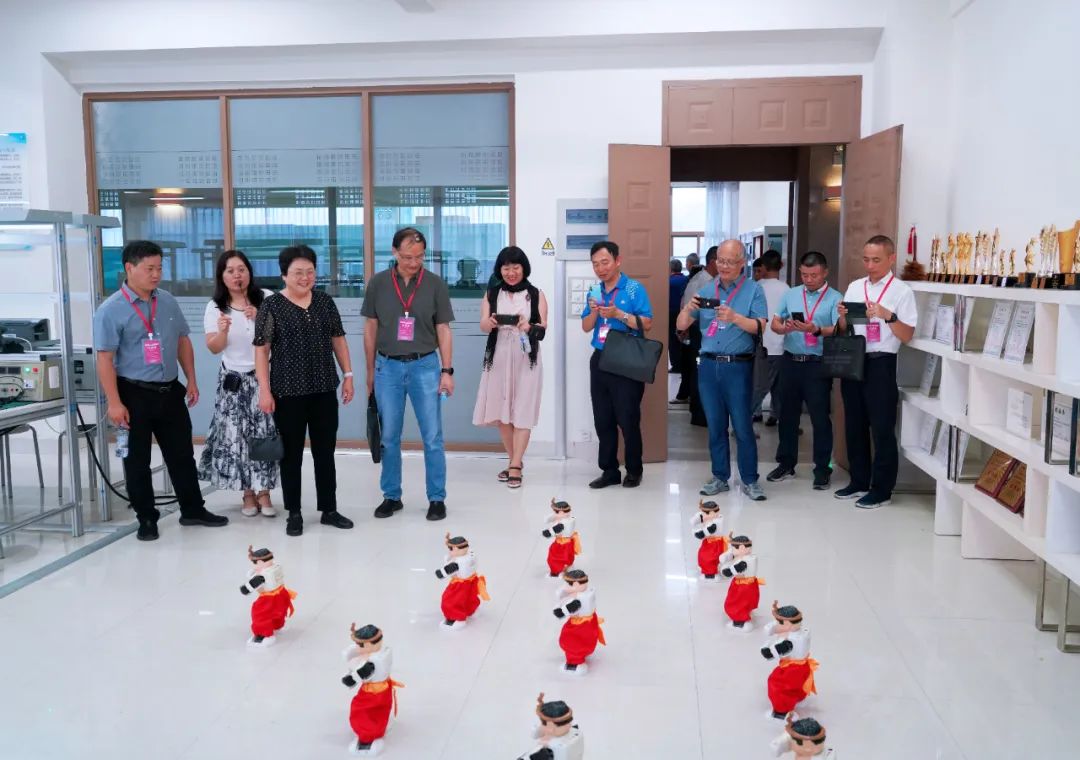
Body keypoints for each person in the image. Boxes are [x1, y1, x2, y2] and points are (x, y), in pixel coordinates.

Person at [93, 240, 228, 541]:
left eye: (159, 268)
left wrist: (191, 379)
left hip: (169, 390)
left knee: (182, 455)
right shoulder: (110, 310)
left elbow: (182, 340)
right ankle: (146, 518)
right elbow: (104, 359)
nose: (156, 274)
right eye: (149, 268)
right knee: (137, 460)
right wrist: (114, 402)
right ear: (129, 268)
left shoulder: (166, 300)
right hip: (133, 394)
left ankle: (193, 509)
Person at [254, 245, 355, 537]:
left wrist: (348, 375)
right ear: (284, 275)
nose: (305, 278)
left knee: (325, 452)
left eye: (310, 271)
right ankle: (294, 512)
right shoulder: (272, 306)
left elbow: (338, 340)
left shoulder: (324, 301)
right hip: (287, 393)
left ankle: (329, 509)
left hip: (324, 389)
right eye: (298, 272)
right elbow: (261, 351)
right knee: (291, 455)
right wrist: (264, 390)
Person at [362, 227, 455, 521]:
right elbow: (370, 328)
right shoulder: (378, 284)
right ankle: (391, 495)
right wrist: (369, 370)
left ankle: (437, 498)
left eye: (419, 257)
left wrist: (447, 370)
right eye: (407, 257)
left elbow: (443, 329)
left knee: (432, 436)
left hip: (425, 365)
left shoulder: (435, 284)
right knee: (389, 436)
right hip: (387, 367)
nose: (414, 263)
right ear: (394, 253)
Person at [676, 239, 767, 501]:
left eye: (730, 262)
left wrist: (735, 318)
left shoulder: (753, 290)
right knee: (715, 425)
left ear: (742, 263)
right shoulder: (706, 289)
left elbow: (760, 326)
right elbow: (681, 325)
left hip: (738, 366)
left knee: (742, 426)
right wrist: (688, 308)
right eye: (721, 261)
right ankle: (720, 476)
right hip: (708, 365)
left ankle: (750, 480)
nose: (725, 266)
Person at [835, 235, 918, 509]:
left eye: (876, 260)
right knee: (854, 424)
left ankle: (882, 489)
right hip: (854, 359)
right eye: (866, 259)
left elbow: (907, 335)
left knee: (882, 427)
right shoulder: (855, 287)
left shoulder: (901, 291)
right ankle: (859, 480)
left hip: (882, 362)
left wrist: (888, 315)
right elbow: (845, 327)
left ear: (891, 258)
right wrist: (843, 315)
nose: (870, 265)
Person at [199, 250, 278, 516]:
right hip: (233, 381)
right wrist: (222, 331)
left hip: (263, 378)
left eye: (241, 269)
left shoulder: (266, 298)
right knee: (238, 437)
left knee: (264, 434)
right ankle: (247, 493)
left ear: (249, 273)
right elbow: (213, 347)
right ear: (222, 276)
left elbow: (281, 337)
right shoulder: (215, 307)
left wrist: (259, 317)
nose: (237, 275)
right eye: (230, 271)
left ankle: (264, 491)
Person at [580, 240, 654, 489]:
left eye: (605, 262)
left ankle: (634, 470)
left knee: (628, 418)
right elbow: (586, 326)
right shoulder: (594, 290)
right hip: (600, 358)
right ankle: (609, 470)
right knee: (603, 419)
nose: (600, 269)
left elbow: (647, 323)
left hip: (626, 360)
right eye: (595, 264)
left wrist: (617, 314)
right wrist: (594, 310)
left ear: (617, 261)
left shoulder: (633, 288)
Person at [473, 246, 547, 489]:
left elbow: (542, 331)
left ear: (524, 268)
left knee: (522, 410)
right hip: (498, 357)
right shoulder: (492, 293)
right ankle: (514, 460)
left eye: (516, 267)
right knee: (502, 412)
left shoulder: (536, 294)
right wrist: (491, 322)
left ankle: (515, 464)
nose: (511, 272)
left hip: (526, 358)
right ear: (500, 269)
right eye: (506, 268)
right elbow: (483, 326)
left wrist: (528, 326)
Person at [768, 251, 842, 490]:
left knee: (820, 419)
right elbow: (775, 322)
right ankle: (786, 463)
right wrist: (784, 328)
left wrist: (815, 329)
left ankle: (822, 469)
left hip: (817, 364)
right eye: (804, 275)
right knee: (787, 416)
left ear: (825, 273)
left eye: (814, 275)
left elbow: (839, 329)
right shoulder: (791, 294)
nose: (809, 279)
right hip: (790, 361)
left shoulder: (835, 298)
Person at [678, 246, 718, 425]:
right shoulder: (702, 282)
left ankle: (703, 411)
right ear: (713, 262)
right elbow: (689, 308)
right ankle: (700, 413)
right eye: (722, 261)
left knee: (703, 371)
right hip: (700, 330)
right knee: (700, 371)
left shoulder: (708, 280)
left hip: (707, 330)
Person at [752, 251, 789, 426]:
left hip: (760, 344)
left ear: (763, 267)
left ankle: (752, 415)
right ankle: (777, 415)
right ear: (781, 265)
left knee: (758, 386)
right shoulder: (787, 289)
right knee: (780, 387)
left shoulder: (756, 287)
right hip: (781, 344)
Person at [668, 258, 689, 372]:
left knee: (672, 339)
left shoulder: (668, 282)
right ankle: (685, 364)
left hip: (671, 313)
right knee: (684, 338)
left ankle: (676, 365)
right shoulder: (687, 280)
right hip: (685, 313)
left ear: (670, 269)